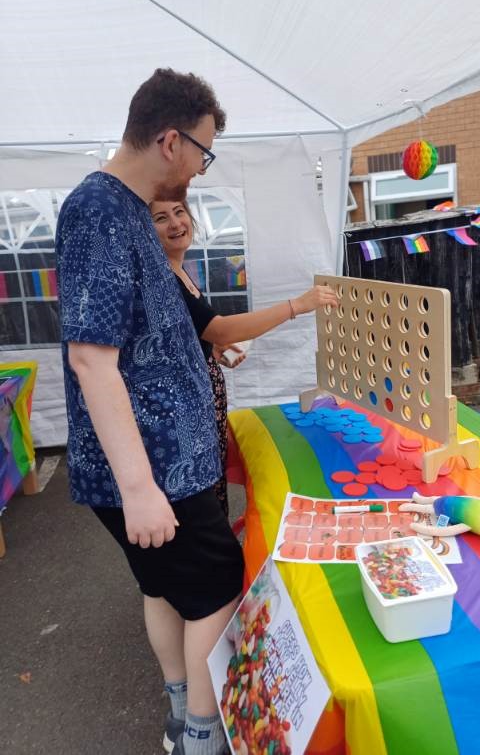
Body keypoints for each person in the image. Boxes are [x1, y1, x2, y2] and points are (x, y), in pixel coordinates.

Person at [55, 68, 296, 755]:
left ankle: (180, 714)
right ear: (170, 141)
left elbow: (142, 336)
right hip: (160, 469)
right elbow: (91, 359)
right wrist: (138, 489)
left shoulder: (127, 209)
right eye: (202, 151)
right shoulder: (99, 211)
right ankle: (201, 734)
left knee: (166, 588)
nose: (199, 168)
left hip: (170, 462)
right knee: (216, 589)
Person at [150, 198, 337, 520]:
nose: (176, 223)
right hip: (185, 413)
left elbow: (190, 333)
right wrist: (296, 306)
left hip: (203, 402)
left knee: (213, 486)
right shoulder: (164, 278)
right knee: (200, 499)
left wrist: (209, 350)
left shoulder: (180, 270)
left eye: (179, 212)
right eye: (161, 218)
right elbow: (220, 328)